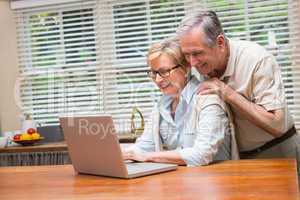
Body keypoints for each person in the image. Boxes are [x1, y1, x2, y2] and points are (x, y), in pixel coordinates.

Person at [176, 10, 300, 170]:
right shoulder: (200, 65)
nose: (192, 62)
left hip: (278, 151)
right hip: (240, 158)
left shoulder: (257, 59)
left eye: (197, 53)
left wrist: (226, 92)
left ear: (220, 43)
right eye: (187, 55)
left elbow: (277, 125)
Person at [123, 37, 238, 166]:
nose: (158, 80)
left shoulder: (208, 100)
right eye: (153, 73)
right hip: (182, 180)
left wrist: (147, 156)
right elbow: (144, 146)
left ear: (186, 68)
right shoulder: (162, 105)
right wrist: (120, 155)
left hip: (215, 180)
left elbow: (201, 155)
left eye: (164, 71)